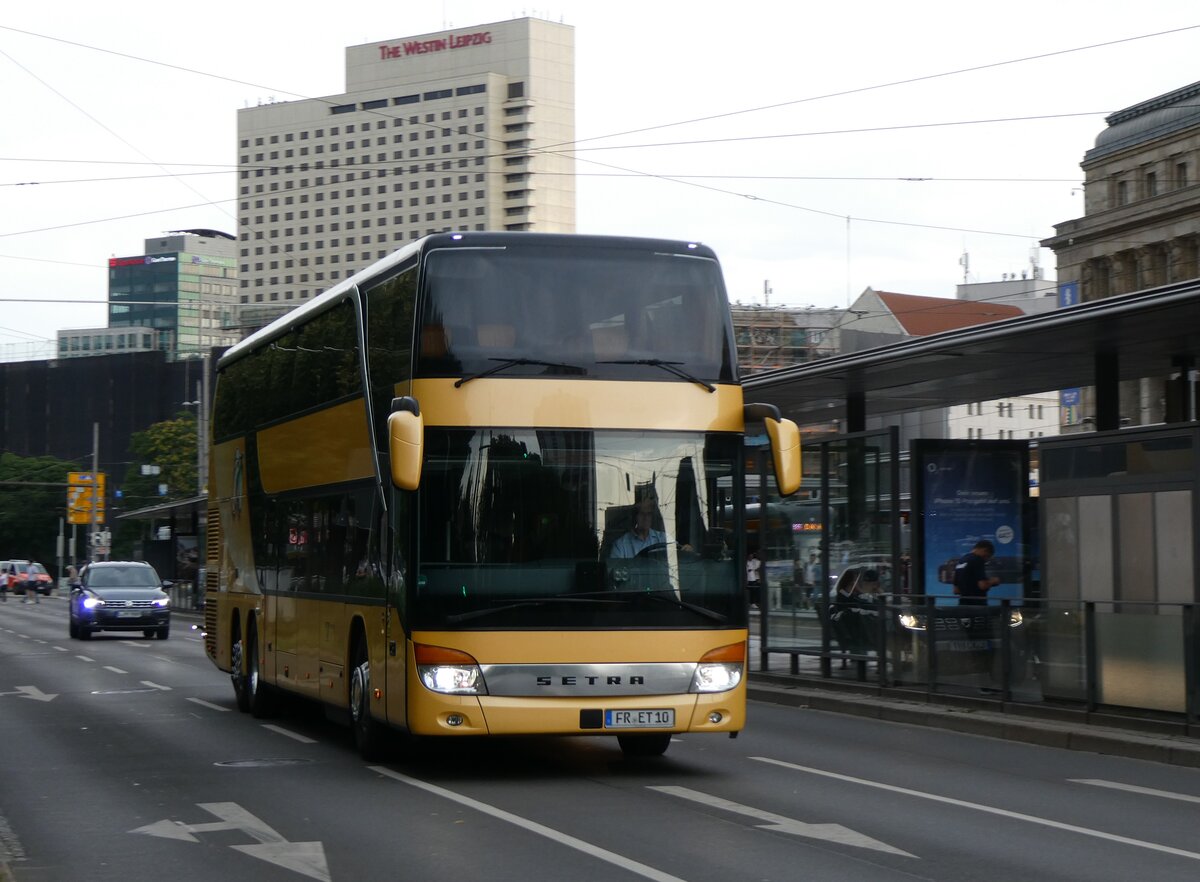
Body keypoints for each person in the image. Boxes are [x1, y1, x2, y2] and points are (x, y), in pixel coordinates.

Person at [609, 491, 669, 559]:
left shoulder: (662, 538)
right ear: (635, 516)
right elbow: (615, 568)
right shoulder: (621, 545)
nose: (645, 518)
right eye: (642, 514)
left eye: (648, 514)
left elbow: (677, 551)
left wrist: (683, 549)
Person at [953, 539, 1001, 606]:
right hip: (978, 605)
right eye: (988, 556)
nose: (986, 560)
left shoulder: (961, 561)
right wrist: (993, 581)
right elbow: (983, 585)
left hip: (962, 605)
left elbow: (956, 590)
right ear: (985, 550)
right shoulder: (977, 560)